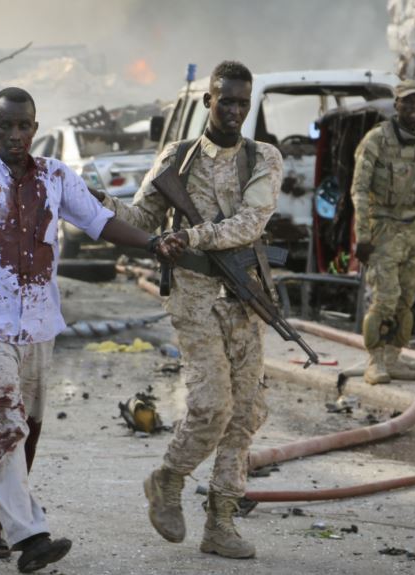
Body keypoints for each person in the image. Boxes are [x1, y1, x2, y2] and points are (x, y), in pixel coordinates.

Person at [0, 87, 175, 573]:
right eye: (5, 125)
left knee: (20, 431)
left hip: (38, 323)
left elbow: (101, 223)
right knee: (8, 425)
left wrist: (153, 243)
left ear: (35, 127)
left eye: (23, 125)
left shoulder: (56, 175)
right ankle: (31, 536)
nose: (15, 134)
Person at [90, 60, 283, 560]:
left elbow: (251, 223)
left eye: (243, 102)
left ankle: (221, 521)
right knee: (212, 403)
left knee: (246, 412)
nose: (235, 111)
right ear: (208, 101)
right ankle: (169, 479)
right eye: (227, 101)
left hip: (244, 296)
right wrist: (96, 202)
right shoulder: (176, 158)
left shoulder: (263, 157)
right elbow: (141, 217)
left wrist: (192, 236)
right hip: (193, 296)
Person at [351, 79, 415, 385]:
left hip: (413, 232)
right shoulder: (376, 140)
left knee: (405, 301)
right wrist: (363, 235)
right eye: (407, 101)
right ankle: (375, 361)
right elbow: (359, 189)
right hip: (384, 229)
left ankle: (393, 357)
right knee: (384, 300)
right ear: (396, 104)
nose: (413, 106)